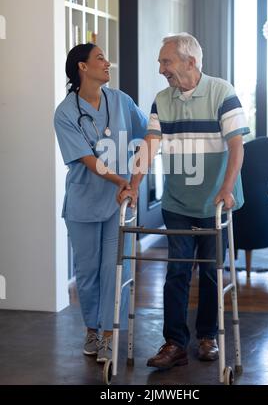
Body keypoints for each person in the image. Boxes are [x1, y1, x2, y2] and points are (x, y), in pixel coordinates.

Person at [119, 33, 250, 369]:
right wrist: (134, 185)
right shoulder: (162, 99)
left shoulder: (222, 92)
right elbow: (149, 145)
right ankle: (174, 342)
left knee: (209, 273)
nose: (161, 68)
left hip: (214, 202)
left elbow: (237, 145)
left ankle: (207, 337)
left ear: (190, 62)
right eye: (161, 62)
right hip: (177, 202)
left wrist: (227, 188)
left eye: (166, 61)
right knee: (177, 272)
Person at [54, 43, 147, 362]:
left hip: (119, 203)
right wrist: (120, 180)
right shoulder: (66, 112)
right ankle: (92, 329)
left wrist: (134, 183)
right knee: (88, 272)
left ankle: (109, 334)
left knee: (115, 269)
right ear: (82, 67)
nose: (108, 63)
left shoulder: (122, 101)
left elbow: (148, 140)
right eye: (100, 58)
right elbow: (86, 158)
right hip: (83, 203)